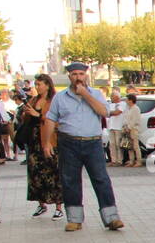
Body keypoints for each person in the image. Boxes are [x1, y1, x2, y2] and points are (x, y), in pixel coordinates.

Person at [42, 62, 123, 232]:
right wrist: (47, 142)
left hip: (93, 142)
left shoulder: (96, 94)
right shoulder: (60, 97)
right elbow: (50, 119)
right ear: (69, 76)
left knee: (101, 179)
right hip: (68, 143)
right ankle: (74, 219)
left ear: (86, 75)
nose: (78, 77)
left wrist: (85, 94)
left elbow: (104, 112)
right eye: (74, 74)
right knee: (70, 180)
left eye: (81, 74)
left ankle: (111, 218)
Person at [22, 75, 63, 219]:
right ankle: (41, 204)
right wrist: (26, 113)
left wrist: (38, 115)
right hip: (34, 141)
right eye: (36, 84)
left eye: (39, 84)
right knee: (35, 173)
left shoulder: (54, 100)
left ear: (47, 85)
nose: (37, 87)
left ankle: (58, 206)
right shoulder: (34, 100)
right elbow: (27, 120)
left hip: (49, 140)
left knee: (54, 172)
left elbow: (57, 121)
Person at [121, 94, 143, 167]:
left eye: (127, 100)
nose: (126, 101)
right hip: (127, 128)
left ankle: (139, 161)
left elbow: (134, 120)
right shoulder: (128, 109)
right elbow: (125, 119)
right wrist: (125, 127)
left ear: (131, 100)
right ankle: (131, 161)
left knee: (135, 146)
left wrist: (129, 127)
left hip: (134, 129)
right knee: (129, 146)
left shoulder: (136, 109)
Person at [105, 90, 126, 164]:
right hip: (111, 126)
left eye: (112, 96)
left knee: (118, 144)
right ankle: (113, 160)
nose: (111, 98)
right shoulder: (110, 105)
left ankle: (120, 160)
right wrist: (111, 113)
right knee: (112, 144)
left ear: (116, 97)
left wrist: (110, 113)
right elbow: (106, 113)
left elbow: (118, 112)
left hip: (118, 127)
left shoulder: (122, 104)